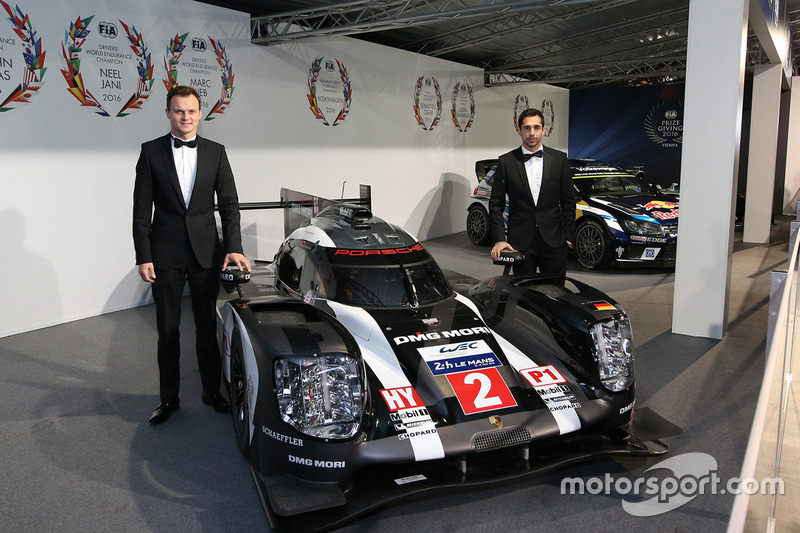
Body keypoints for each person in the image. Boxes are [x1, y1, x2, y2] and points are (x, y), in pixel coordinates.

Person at [133, 85, 251, 425]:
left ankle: (211, 393)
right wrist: (144, 254)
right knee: (167, 332)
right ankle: (168, 400)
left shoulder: (216, 152)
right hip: (164, 253)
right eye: (178, 110)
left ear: (200, 114)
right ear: (168, 113)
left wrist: (234, 247)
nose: (185, 117)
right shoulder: (151, 152)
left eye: (191, 111)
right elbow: (141, 210)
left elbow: (229, 205)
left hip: (205, 253)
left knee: (205, 328)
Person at [489, 108, 576, 277]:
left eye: (536, 127)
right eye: (527, 128)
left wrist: (567, 236)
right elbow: (496, 204)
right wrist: (500, 240)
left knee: (555, 294)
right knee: (522, 295)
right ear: (519, 130)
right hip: (520, 243)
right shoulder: (506, 162)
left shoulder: (559, 159)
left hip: (554, 242)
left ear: (544, 130)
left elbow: (568, 200)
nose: (532, 133)